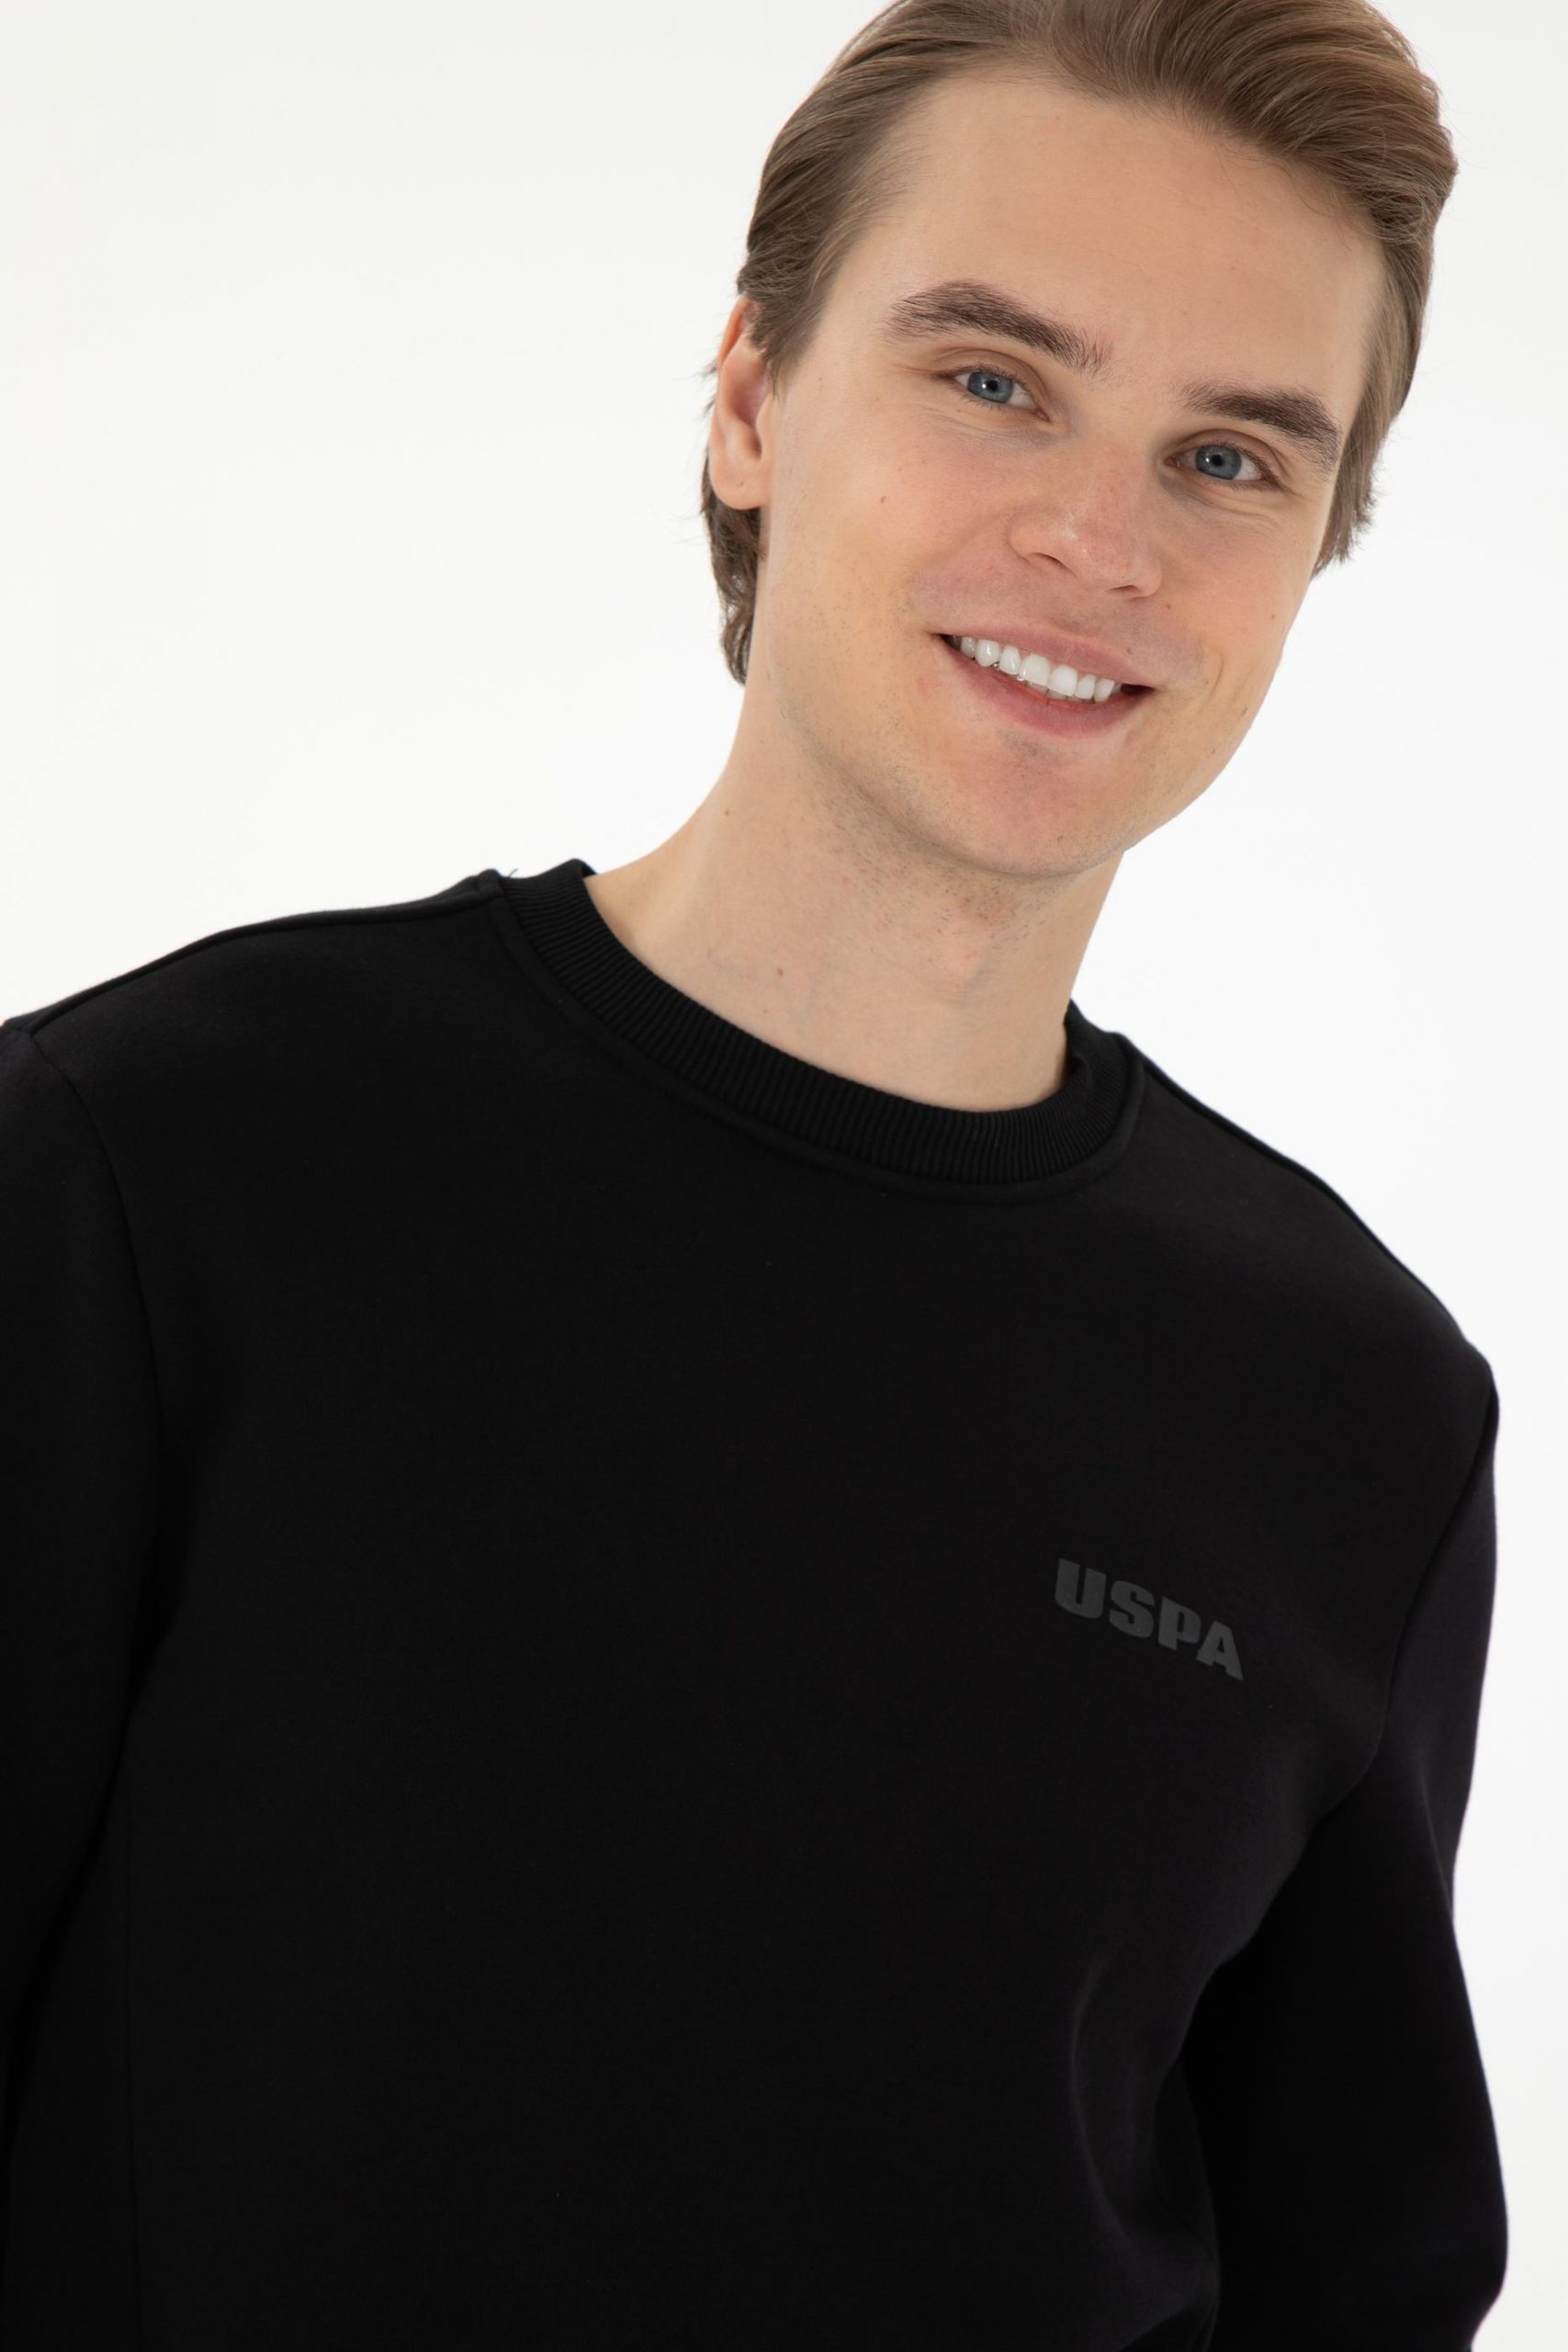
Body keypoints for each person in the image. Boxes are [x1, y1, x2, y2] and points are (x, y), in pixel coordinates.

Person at [0, 0, 1506, 2343]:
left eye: (1226, 457)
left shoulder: (1354, 1412)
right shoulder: (149, 1168)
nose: (1095, 538)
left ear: (1311, 555)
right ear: (747, 402)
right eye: (992, 378)